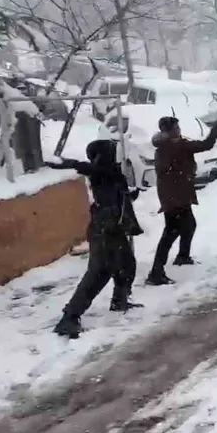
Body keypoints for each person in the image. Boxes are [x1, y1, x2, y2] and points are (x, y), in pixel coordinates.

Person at [47, 139, 144, 338]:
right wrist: (72, 163)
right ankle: (69, 317)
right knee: (99, 273)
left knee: (127, 265)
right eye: (110, 151)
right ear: (101, 155)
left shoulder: (112, 173)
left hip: (114, 228)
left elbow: (117, 193)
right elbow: (93, 170)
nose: (114, 155)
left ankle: (119, 300)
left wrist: (130, 195)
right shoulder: (100, 172)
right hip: (103, 230)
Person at [147, 109, 217, 286]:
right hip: (174, 197)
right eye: (176, 127)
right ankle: (156, 272)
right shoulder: (175, 146)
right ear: (169, 131)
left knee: (187, 226)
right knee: (170, 233)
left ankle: (182, 256)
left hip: (176, 195)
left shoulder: (169, 144)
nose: (179, 129)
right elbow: (207, 144)